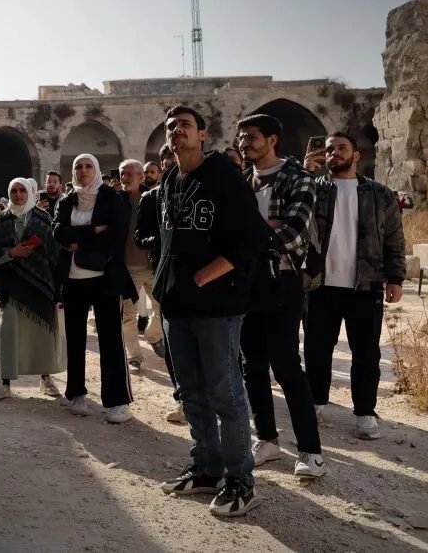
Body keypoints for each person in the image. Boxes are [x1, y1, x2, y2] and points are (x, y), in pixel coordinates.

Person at [154, 105, 269, 518]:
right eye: (171, 127)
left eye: (185, 125)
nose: (177, 131)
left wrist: (208, 274)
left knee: (225, 393)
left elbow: (254, 236)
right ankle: (207, 469)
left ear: (203, 134)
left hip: (217, 306)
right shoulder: (169, 179)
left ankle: (241, 480)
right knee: (192, 393)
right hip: (176, 305)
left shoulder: (222, 174)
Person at [236, 114, 326, 479]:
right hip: (246, 284)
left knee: (286, 366)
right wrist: (261, 231)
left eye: (252, 137)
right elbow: (234, 233)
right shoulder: (243, 182)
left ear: (272, 139)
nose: (244, 143)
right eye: (241, 138)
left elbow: (291, 234)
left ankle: (311, 452)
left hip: (282, 281)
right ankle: (267, 439)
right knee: (251, 365)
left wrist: (251, 235)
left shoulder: (297, 178)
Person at [303, 132, 405, 440]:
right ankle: (316, 403)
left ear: (356, 155)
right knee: (317, 349)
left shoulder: (379, 194)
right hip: (320, 285)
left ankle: (364, 412)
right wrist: (304, 171)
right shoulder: (312, 190)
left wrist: (396, 277)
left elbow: (394, 238)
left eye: (341, 148)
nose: (334, 153)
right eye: (329, 149)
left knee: (366, 353)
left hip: (365, 284)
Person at [53, 154, 136, 423]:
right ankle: (77, 394)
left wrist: (77, 240)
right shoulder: (67, 201)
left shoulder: (112, 198)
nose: (84, 170)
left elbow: (116, 236)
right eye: (79, 166)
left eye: (88, 166)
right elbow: (57, 233)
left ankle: (118, 401)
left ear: (96, 170)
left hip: (105, 277)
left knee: (111, 339)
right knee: (75, 338)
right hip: (73, 278)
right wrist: (92, 233)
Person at [0, 178, 66, 400]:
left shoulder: (43, 219)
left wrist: (59, 287)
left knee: (43, 333)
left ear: (29, 192)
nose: (18, 195)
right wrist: (11, 253)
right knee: (9, 332)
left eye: (22, 190)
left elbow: (55, 252)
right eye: (14, 191)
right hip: (10, 286)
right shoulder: (1, 219)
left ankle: (46, 379)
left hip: (41, 284)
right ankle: (6, 382)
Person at [135, 164, 183, 424]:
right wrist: (164, 239)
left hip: (201, 282)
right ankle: (182, 399)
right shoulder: (152, 198)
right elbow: (141, 237)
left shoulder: (204, 195)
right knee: (173, 341)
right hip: (163, 274)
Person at [119, 159, 165, 373]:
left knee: (161, 308)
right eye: (122, 174)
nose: (124, 178)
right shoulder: (116, 201)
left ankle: (154, 335)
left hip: (153, 264)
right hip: (128, 268)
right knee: (128, 315)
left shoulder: (154, 198)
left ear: (140, 175)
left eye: (129, 174)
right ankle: (134, 356)